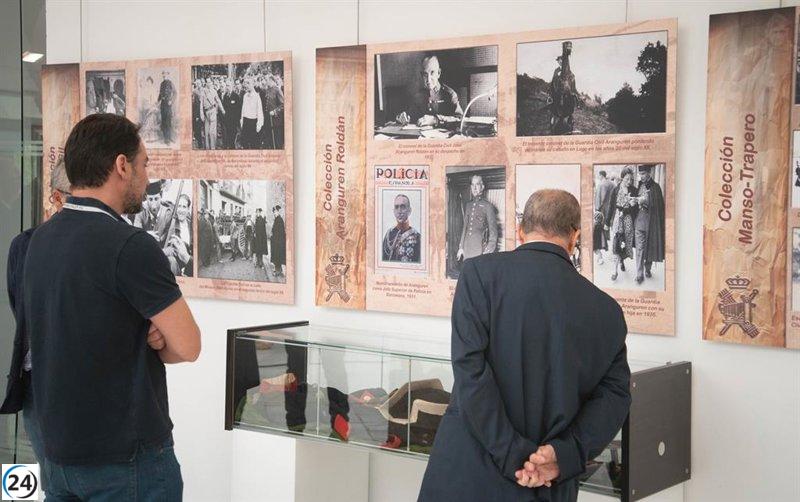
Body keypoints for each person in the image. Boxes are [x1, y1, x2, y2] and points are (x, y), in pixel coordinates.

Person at [24, 113, 201, 501]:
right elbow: (188, 345)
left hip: (57, 456)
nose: (146, 175)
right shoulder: (130, 246)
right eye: (144, 164)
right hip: (125, 460)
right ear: (121, 166)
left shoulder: (37, 240)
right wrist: (153, 338)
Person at [418, 189, 631, 502]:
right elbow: (615, 397)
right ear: (575, 237)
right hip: (549, 484)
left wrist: (514, 455)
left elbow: (470, 373)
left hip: (468, 475)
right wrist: (563, 455)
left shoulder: (479, 276)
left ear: (520, 231)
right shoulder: (607, 311)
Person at [0, 159, 71, 495]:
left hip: (87, 392)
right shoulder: (24, 246)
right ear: (56, 197)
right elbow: (22, 311)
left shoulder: (111, 246)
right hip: (36, 388)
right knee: (52, 482)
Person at [395, 55, 463, 127]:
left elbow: (460, 119)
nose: (428, 80)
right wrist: (404, 118)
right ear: (422, 75)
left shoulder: (449, 94)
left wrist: (435, 120)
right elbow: (411, 116)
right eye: (425, 75)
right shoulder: (419, 96)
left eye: (432, 73)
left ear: (439, 73)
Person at [632, 164, 666, 285]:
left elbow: (659, 207)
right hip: (639, 222)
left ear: (649, 173)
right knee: (640, 248)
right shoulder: (640, 185)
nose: (641, 176)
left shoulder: (656, 188)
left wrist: (646, 200)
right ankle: (639, 274)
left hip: (651, 222)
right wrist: (634, 202)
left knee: (650, 245)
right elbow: (636, 202)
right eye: (640, 174)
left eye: (643, 174)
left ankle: (647, 268)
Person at [604, 167, 636, 282]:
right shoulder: (615, 190)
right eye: (627, 179)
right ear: (622, 178)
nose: (629, 182)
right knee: (616, 243)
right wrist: (607, 222)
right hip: (617, 219)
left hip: (628, 220)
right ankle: (614, 270)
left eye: (631, 179)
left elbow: (636, 209)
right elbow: (610, 207)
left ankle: (622, 260)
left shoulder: (634, 190)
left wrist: (633, 205)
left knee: (626, 244)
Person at [456, 175, 498, 262]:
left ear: (482, 187)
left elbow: (493, 233)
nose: (474, 188)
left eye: (477, 185)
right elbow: (465, 228)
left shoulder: (488, 206)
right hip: (467, 249)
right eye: (472, 185)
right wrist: (461, 247)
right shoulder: (468, 205)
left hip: (479, 250)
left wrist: (487, 251)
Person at [382, 194, 421, 263]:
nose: (399, 211)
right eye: (396, 207)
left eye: (403, 207)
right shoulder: (389, 234)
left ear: (409, 210)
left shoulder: (417, 237)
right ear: (394, 211)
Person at [163, 193, 193, 277]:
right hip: (176, 269)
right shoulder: (170, 224)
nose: (181, 210)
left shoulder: (192, 226)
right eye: (179, 206)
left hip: (190, 267)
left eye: (184, 207)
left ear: (188, 209)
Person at [593, 170, 615, 265]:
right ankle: (612, 253)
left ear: (601, 175)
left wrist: (597, 210)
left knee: (600, 232)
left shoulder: (602, 185)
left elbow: (600, 200)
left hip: (603, 211)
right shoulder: (612, 184)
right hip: (613, 210)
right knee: (613, 230)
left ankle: (601, 254)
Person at [200, 79, 225, 149]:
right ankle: (208, 148)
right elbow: (201, 104)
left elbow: (218, 101)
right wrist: (201, 113)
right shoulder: (203, 92)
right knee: (206, 131)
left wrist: (222, 110)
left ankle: (213, 148)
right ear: (205, 83)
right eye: (207, 82)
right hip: (206, 113)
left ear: (211, 83)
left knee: (212, 132)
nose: (209, 83)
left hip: (213, 111)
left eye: (210, 82)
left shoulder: (214, 91)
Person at [261, 74, 284, 149]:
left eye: (266, 80)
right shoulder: (268, 90)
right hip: (268, 120)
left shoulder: (277, 90)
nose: (265, 82)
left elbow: (283, 105)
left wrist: (275, 112)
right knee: (269, 140)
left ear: (271, 80)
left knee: (276, 142)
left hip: (275, 121)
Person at [240, 78, 264, 149]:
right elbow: (243, 109)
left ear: (252, 84)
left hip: (253, 123)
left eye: (248, 83)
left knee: (254, 145)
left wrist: (259, 125)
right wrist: (242, 121)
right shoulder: (245, 96)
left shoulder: (257, 96)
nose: (246, 85)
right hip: (245, 122)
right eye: (246, 83)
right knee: (245, 144)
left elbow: (259, 111)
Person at [157, 70, 176, 144]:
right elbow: (160, 94)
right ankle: (166, 138)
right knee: (164, 121)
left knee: (168, 121)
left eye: (165, 75)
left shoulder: (171, 83)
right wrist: (157, 101)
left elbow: (175, 93)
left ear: (168, 75)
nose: (164, 76)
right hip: (163, 105)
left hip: (168, 105)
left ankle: (169, 138)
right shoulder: (161, 84)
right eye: (163, 75)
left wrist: (171, 101)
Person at [221, 81, 242, 149]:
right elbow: (223, 108)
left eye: (229, 86)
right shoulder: (225, 96)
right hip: (227, 120)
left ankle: (233, 148)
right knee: (228, 135)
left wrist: (237, 121)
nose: (227, 87)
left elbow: (239, 109)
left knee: (233, 136)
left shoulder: (235, 96)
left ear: (232, 87)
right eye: (227, 86)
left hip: (234, 121)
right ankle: (230, 147)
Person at [270, 205, 286, 278]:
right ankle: (279, 270)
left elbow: (280, 232)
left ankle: (278, 271)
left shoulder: (279, 220)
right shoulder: (277, 219)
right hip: (276, 241)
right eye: (274, 212)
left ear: (278, 212)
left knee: (277, 256)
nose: (274, 213)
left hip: (278, 242)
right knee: (277, 256)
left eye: (275, 212)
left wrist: (274, 237)